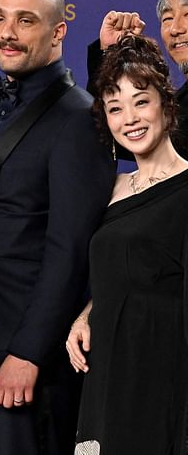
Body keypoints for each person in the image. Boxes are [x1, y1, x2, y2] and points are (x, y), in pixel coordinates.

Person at [0, 0, 116, 455]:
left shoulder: (80, 119)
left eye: (25, 21)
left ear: (58, 32)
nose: (7, 33)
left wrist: (28, 352)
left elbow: (70, 252)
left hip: (27, 353)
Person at [66, 34, 188, 454]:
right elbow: (121, 270)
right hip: (107, 376)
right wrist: (86, 314)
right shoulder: (112, 188)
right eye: (115, 108)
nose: (129, 118)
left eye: (141, 100)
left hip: (165, 378)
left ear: (165, 103)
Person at [86, 0, 188, 157]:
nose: (175, 29)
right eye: (167, 18)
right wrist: (112, 52)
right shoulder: (177, 107)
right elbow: (114, 139)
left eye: (187, 15)